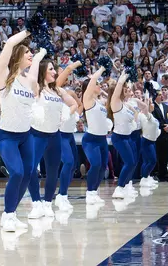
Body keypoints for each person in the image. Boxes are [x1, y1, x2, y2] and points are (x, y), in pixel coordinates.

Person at [0, 29, 46, 232]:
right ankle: (6, 216)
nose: (30, 53)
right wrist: (28, 31)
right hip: (8, 137)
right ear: (17, 56)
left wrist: (40, 56)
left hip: (26, 136)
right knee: (17, 172)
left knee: (29, 173)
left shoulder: (29, 80)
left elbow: (36, 67)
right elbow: (7, 47)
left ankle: (12, 213)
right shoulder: (5, 77)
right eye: (27, 51)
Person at [26, 58, 78, 219]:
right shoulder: (37, 88)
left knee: (53, 171)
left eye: (55, 70)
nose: (55, 72)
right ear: (43, 71)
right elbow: (31, 77)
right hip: (36, 135)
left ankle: (48, 203)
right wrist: (36, 59)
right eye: (51, 70)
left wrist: (67, 113)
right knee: (30, 169)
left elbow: (74, 104)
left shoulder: (58, 90)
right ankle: (36, 203)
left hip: (54, 135)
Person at [54, 61, 83, 210]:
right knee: (68, 162)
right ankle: (61, 195)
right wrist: (72, 66)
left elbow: (80, 105)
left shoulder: (69, 93)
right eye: (59, 71)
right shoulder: (53, 90)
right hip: (58, 133)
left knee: (73, 165)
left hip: (69, 133)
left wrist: (76, 116)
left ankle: (63, 193)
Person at [108, 72, 142, 200]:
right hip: (119, 137)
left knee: (133, 163)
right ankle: (119, 188)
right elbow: (117, 91)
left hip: (128, 137)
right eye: (125, 88)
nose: (127, 90)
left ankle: (126, 186)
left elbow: (136, 116)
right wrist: (121, 79)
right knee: (129, 162)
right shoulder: (116, 103)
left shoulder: (126, 104)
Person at [81, 66, 110, 205]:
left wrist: (102, 90)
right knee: (96, 164)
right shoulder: (88, 100)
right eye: (97, 84)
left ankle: (94, 191)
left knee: (103, 166)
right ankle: (89, 192)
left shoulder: (99, 102)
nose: (99, 85)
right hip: (91, 140)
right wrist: (101, 70)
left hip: (102, 139)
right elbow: (93, 81)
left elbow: (110, 99)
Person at [152, 87, 168, 182]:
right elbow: (153, 120)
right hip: (157, 133)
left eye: (162, 94)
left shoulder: (165, 106)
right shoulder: (153, 107)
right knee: (157, 154)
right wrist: (162, 126)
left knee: (165, 154)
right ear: (155, 96)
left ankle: (164, 174)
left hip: (166, 134)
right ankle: (155, 174)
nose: (162, 96)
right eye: (160, 95)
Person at [138, 96, 160, 188]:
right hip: (147, 140)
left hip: (151, 140)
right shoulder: (145, 116)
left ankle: (146, 177)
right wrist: (146, 100)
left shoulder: (151, 115)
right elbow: (145, 109)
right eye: (151, 104)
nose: (153, 105)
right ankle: (144, 178)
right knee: (152, 161)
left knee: (147, 161)